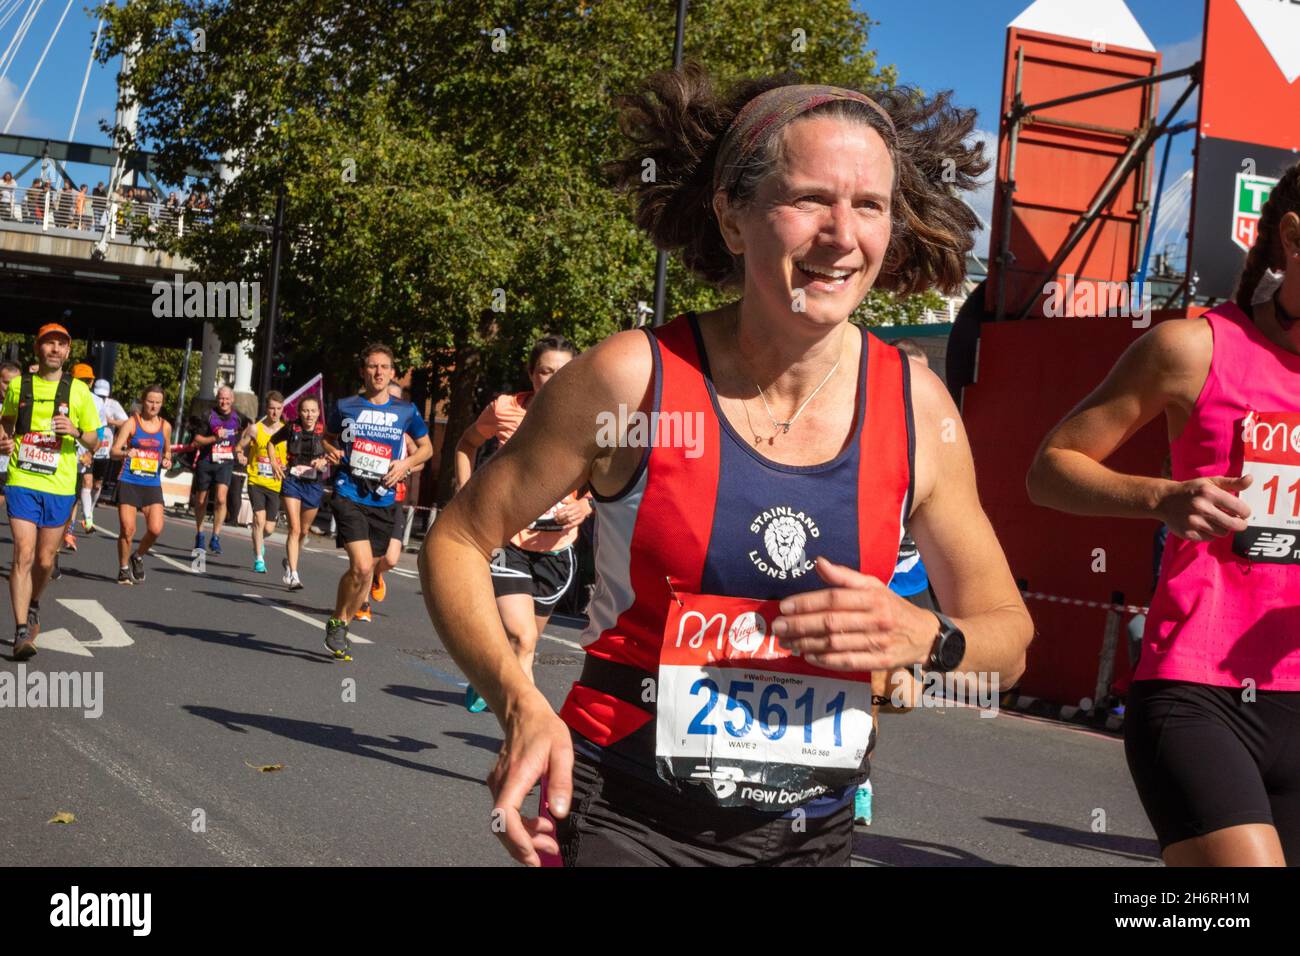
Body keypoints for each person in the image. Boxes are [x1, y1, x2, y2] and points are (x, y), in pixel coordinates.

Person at [420, 68, 1032, 866]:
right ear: (733, 219)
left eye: (871, 205)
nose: (843, 235)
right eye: (810, 198)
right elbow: (460, 541)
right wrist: (520, 705)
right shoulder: (633, 379)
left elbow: (1009, 637)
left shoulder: (918, 409)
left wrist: (927, 636)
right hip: (624, 809)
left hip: (812, 832)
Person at [1027, 161, 1300, 868]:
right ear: (1294, 239)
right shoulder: (1194, 348)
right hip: (1200, 689)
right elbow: (1050, 469)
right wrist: (1165, 497)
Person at [453, 335, 592, 713]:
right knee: (523, 638)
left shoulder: (592, 416)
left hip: (557, 549)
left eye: (562, 372)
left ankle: (488, 675)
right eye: (545, 371)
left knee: (521, 644)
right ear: (532, 375)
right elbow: (466, 444)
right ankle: (526, 731)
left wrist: (586, 506)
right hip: (507, 540)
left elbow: (607, 473)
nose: (553, 379)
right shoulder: (505, 409)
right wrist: (466, 493)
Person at [322, 344, 433, 659]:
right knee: (359, 564)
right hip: (348, 491)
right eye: (372, 366)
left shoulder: (406, 411)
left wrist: (404, 465)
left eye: (384, 367)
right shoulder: (345, 406)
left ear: (393, 372)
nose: (379, 372)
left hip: (383, 498)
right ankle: (339, 622)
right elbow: (327, 438)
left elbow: (427, 449)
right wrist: (329, 449)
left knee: (367, 569)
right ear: (363, 371)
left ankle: (339, 620)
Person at [0, 323, 101, 660]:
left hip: (59, 484)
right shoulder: (18, 386)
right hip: (22, 479)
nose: (55, 349)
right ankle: (20, 632)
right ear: (38, 349)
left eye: (61, 345)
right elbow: (7, 423)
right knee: (23, 554)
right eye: (49, 344)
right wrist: (4, 439)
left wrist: (74, 429)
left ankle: (34, 604)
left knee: (45, 560)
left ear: (67, 352)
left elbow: (94, 439)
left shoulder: (79, 393)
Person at [110, 385, 172, 584]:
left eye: (157, 402)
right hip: (129, 480)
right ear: (143, 401)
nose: (153, 406)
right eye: (150, 401)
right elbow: (114, 451)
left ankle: (137, 556)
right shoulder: (131, 423)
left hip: (151, 483)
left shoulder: (165, 426)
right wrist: (126, 452)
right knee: (128, 530)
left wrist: (167, 460)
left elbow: (167, 451)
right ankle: (123, 567)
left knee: (155, 529)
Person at [279, 395, 330, 590]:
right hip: (292, 482)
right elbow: (272, 443)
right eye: (305, 410)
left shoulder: (324, 432)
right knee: (294, 528)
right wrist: (276, 462)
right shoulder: (292, 428)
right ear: (299, 412)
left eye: (313, 411)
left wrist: (324, 461)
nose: (309, 415)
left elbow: (335, 454)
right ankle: (293, 574)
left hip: (313, 485)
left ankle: (290, 561)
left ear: (318, 413)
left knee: (304, 531)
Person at [191, 385, 247, 554]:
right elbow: (197, 440)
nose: (224, 402)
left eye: (227, 399)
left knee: (221, 499)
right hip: (206, 462)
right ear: (217, 399)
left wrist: (239, 449)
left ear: (232, 400)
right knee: (201, 501)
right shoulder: (208, 415)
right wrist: (214, 438)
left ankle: (215, 537)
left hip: (225, 462)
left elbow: (250, 432)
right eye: (221, 398)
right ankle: (200, 534)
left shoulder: (238, 417)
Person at [238, 392, 288, 573]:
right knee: (259, 520)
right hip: (256, 481)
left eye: (279, 409)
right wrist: (240, 455)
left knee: (269, 528)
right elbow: (239, 447)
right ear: (266, 409)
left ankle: (259, 540)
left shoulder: (286, 430)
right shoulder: (255, 429)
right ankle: (259, 559)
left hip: (275, 484)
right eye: (272, 408)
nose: (275, 413)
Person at [63, 363, 99, 551]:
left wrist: (89, 453)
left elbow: (97, 433)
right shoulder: (61, 394)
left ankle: (76, 526)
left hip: (82, 455)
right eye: (80, 380)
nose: (85, 384)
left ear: (92, 382)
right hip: (61, 456)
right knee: (66, 498)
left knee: (78, 493)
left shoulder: (97, 402)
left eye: (87, 381)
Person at [88, 379, 128, 520]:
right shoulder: (88, 399)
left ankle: (91, 508)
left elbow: (126, 422)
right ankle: (85, 512)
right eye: (99, 395)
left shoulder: (113, 405)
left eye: (104, 396)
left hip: (104, 449)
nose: (101, 398)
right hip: (87, 446)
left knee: (97, 483)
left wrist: (110, 421)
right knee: (85, 480)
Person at [0, 362, 20, 507]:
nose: (10, 387)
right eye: (6, 382)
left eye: (15, 383)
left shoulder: (25, 408)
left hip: (9, 468)